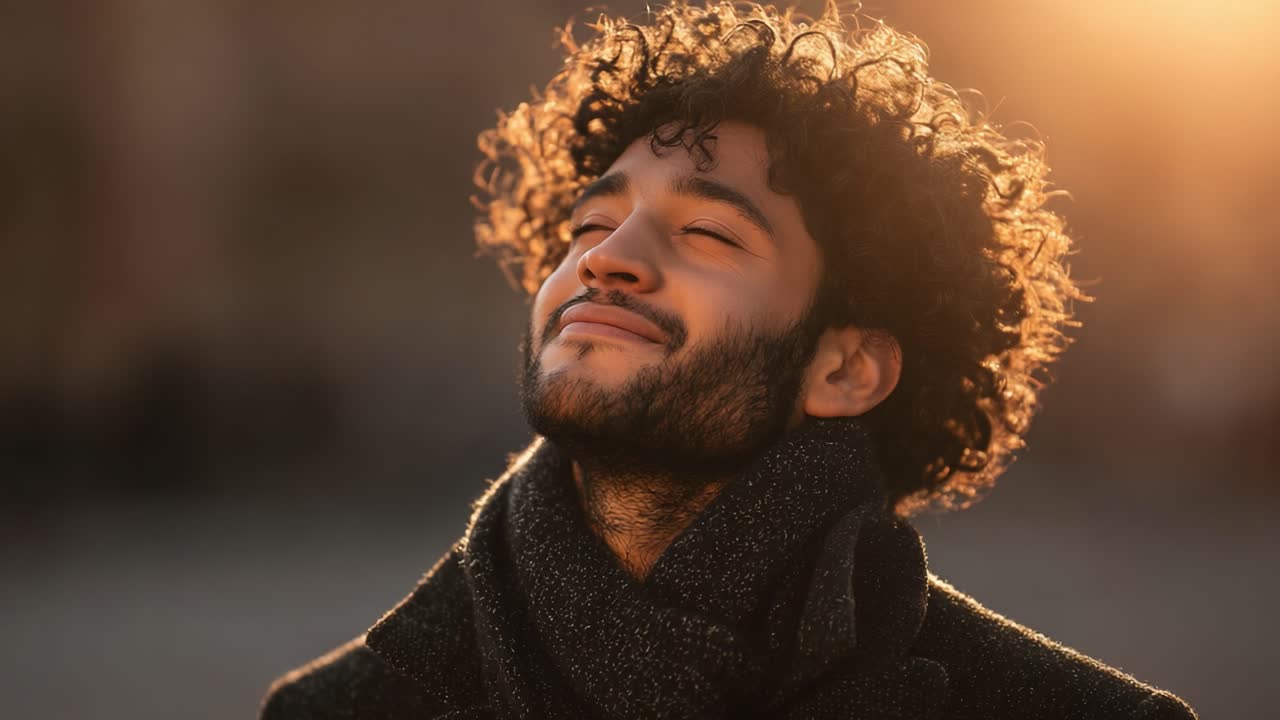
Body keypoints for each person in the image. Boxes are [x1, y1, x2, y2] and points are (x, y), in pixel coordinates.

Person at [258, 2, 1197, 717]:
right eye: (590, 223)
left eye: (708, 232)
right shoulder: (332, 711)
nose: (605, 257)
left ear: (846, 370)